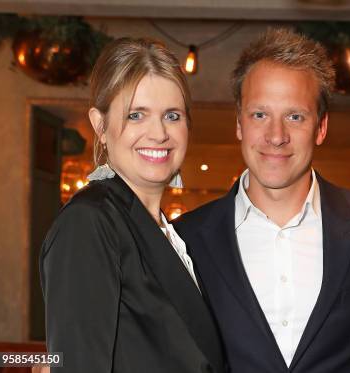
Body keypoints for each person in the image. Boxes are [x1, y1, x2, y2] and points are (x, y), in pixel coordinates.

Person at [174, 28, 350, 372]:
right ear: (239, 125)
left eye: (295, 116)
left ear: (320, 128)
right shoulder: (184, 240)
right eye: (260, 115)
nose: (276, 136)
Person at [39, 38, 224, 373]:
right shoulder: (90, 222)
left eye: (172, 115)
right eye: (136, 115)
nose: (158, 133)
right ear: (100, 126)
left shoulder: (172, 233)